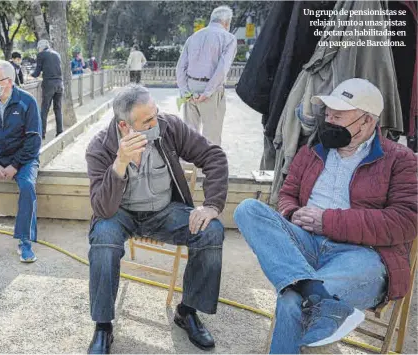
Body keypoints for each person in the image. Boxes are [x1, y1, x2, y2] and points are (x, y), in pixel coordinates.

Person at [233, 78, 418, 353]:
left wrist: (327, 221)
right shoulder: (312, 150)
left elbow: (405, 222)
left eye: (338, 116)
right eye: (328, 113)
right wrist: (293, 213)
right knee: (248, 209)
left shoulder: (400, 160)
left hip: (361, 256)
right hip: (304, 245)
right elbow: (287, 194)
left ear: (366, 121)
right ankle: (316, 293)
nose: (328, 121)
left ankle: (308, 292)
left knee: (291, 300)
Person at [85, 85, 229, 354]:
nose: (156, 121)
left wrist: (211, 205)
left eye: (155, 113)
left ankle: (186, 311)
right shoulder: (99, 148)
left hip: (164, 212)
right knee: (103, 237)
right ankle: (103, 326)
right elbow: (102, 209)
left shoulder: (169, 127)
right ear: (125, 126)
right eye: (148, 120)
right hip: (120, 215)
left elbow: (213, 155)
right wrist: (120, 162)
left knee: (211, 230)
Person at [0, 61, 41, 263]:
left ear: (9, 81)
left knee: (28, 186)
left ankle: (25, 242)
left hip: (23, 158)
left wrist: (14, 165)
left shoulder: (27, 102)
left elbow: (33, 139)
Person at [176, 6, 237, 146]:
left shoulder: (194, 37)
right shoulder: (229, 38)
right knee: (211, 136)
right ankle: (208, 168)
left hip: (190, 88)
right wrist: (207, 92)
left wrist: (185, 91)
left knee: (190, 134)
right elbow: (222, 69)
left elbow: (180, 67)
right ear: (226, 22)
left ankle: (190, 166)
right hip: (211, 90)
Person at [31, 40, 64, 139]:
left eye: (38, 48)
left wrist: (30, 76)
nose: (38, 50)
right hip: (59, 83)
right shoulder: (57, 54)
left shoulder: (41, 55)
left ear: (41, 47)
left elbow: (37, 72)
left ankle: (42, 133)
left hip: (49, 84)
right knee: (58, 109)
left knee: (44, 110)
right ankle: (60, 131)